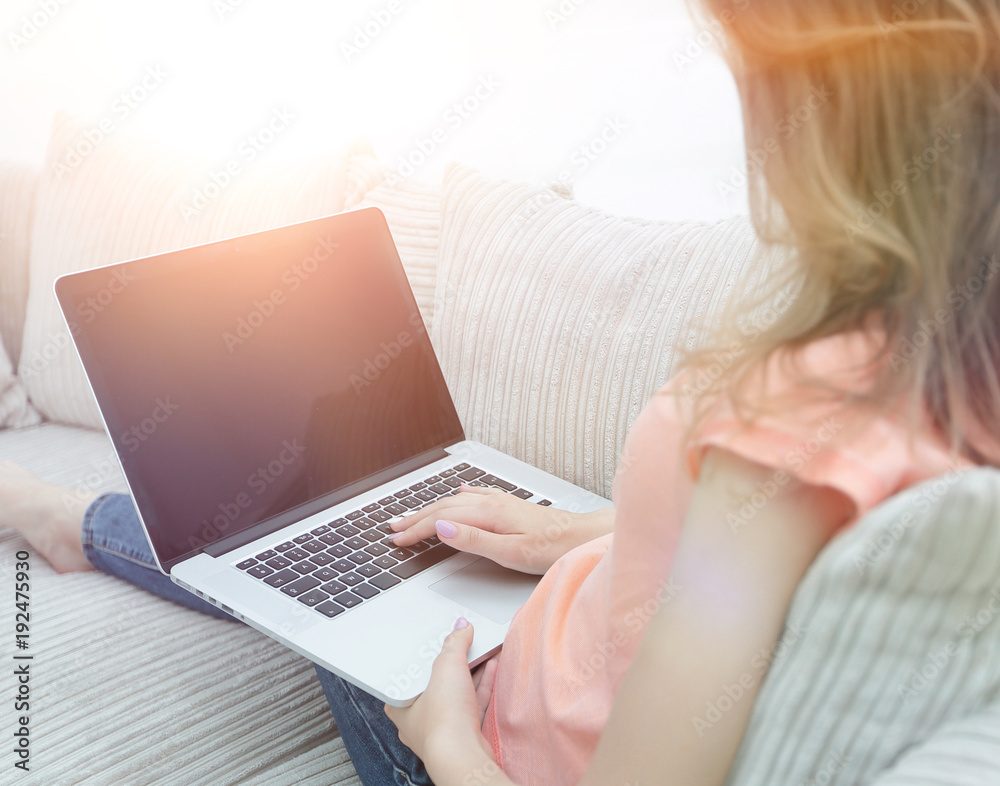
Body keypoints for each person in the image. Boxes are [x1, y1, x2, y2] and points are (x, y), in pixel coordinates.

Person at [4, 0, 1000, 783]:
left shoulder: (785, 419)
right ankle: (113, 522)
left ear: (814, 111)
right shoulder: (948, 377)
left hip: (477, 744)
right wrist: (575, 532)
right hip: (538, 623)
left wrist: (441, 740)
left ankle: (66, 520)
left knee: (284, 536)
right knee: (335, 526)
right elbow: (756, 585)